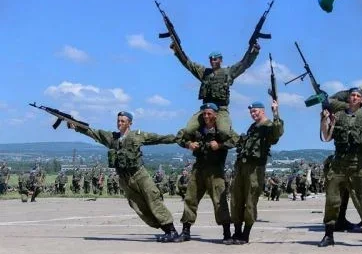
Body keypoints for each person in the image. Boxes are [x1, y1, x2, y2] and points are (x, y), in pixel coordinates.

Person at [66, 111, 181, 241]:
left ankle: (171, 231)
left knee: (153, 199)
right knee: (138, 205)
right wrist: (76, 127)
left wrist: (179, 139)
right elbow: (93, 132)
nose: (119, 123)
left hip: (139, 174)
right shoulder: (112, 138)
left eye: (123, 121)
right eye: (118, 121)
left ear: (129, 123)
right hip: (124, 178)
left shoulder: (137, 136)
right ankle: (165, 229)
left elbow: (159, 138)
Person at [318, 88, 362, 249]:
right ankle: (328, 235)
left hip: (359, 164)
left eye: (358, 96)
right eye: (352, 95)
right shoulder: (338, 115)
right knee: (332, 200)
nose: (354, 97)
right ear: (348, 98)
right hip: (339, 164)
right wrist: (324, 120)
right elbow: (327, 137)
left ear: (361, 100)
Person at [171, 39, 260, 141]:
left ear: (220, 60)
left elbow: (244, 64)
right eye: (211, 59)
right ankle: (201, 140)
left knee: (224, 132)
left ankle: (230, 139)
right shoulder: (204, 72)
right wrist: (177, 51)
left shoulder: (228, 72)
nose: (212, 61)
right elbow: (188, 64)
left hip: (221, 109)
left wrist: (254, 52)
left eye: (215, 59)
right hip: (205, 110)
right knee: (189, 130)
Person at [175, 103, 237, 243]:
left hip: (215, 170)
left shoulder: (221, 131)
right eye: (204, 114)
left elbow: (236, 140)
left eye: (209, 113)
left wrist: (220, 145)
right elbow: (179, 137)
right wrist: (189, 144)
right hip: (199, 168)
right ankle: (185, 231)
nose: (206, 116)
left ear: (216, 115)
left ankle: (227, 233)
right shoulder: (197, 130)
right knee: (190, 198)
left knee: (219, 201)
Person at [230, 100, 284, 244]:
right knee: (236, 199)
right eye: (251, 112)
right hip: (241, 166)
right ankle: (237, 232)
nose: (253, 114)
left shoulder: (269, 126)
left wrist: (276, 113)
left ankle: (245, 234)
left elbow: (277, 134)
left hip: (255, 168)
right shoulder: (253, 127)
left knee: (250, 199)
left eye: (255, 111)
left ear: (262, 111)